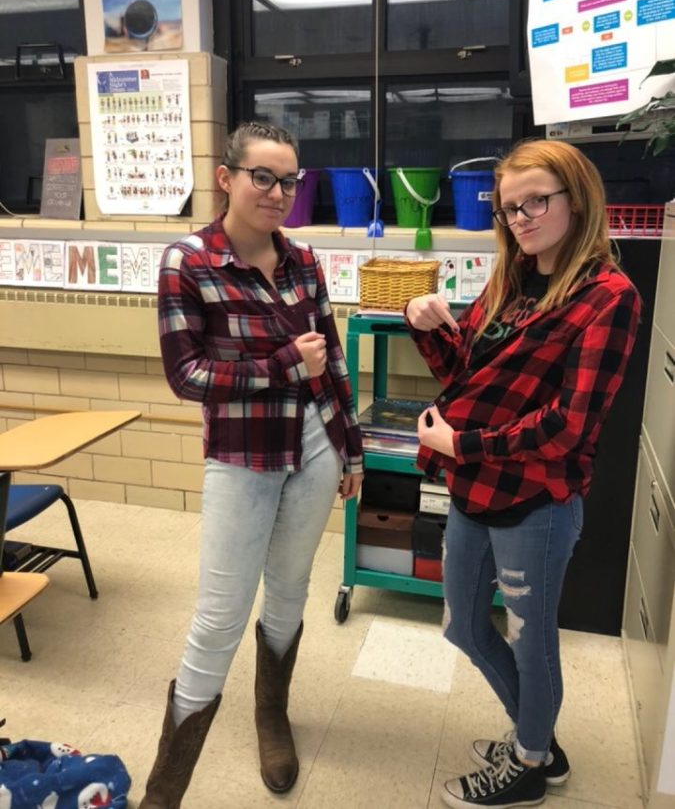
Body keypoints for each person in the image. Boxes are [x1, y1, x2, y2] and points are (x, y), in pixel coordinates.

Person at [405, 139, 641, 809]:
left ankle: (530, 762)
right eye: (510, 208)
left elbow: (570, 425)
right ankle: (536, 734)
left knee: (527, 638)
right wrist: (428, 324)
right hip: (473, 486)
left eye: (536, 200)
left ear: (577, 198)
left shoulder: (606, 297)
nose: (521, 218)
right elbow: (464, 373)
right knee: (462, 624)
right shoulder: (510, 278)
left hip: (536, 500)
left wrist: (463, 442)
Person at [139, 121, 363, 808]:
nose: (276, 192)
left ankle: (271, 713)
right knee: (218, 617)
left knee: (290, 591)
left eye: (288, 180)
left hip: (317, 445)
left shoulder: (302, 261)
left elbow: (332, 360)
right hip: (243, 457)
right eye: (261, 176)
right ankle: (163, 792)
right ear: (226, 178)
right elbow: (187, 377)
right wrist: (279, 366)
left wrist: (350, 445)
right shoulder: (189, 263)